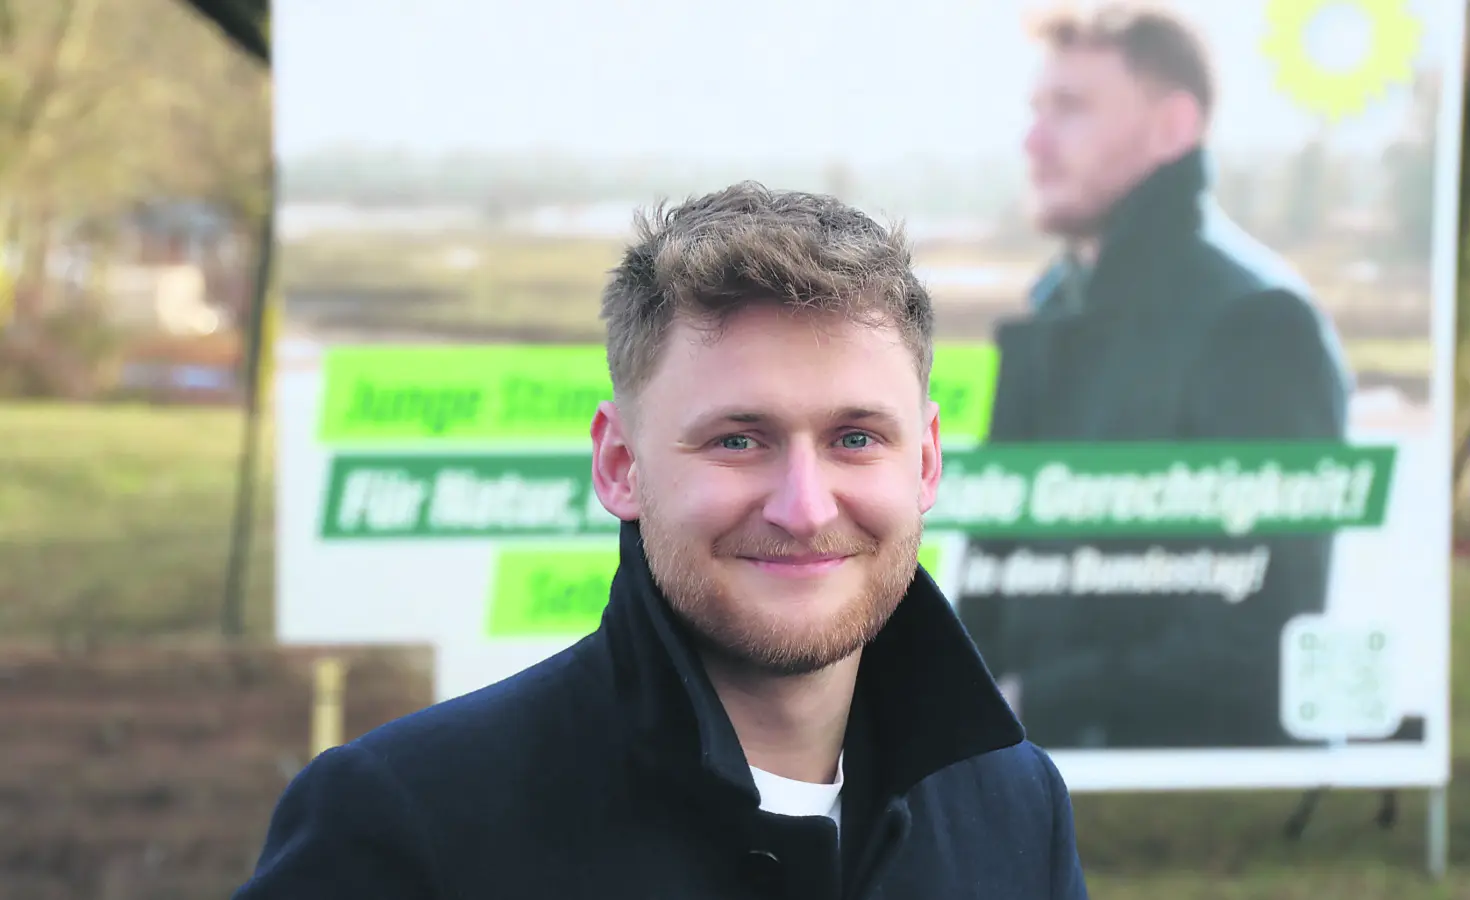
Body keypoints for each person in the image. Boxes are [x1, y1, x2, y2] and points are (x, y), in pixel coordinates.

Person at [233, 183, 1091, 899]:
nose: (803, 506)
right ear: (620, 465)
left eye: (856, 438)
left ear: (927, 462)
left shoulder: (1014, 810)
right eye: (737, 440)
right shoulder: (408, 821)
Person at [958, 4, 1355, 750]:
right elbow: (997, 562)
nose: (1034, 142)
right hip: (1033, 772)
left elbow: (1258, 630)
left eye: (1070, 110)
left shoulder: (1259, 323)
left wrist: (1036, 701)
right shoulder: (1052, 306)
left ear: (1173, 127)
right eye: (1036, 110)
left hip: (1201, 790)